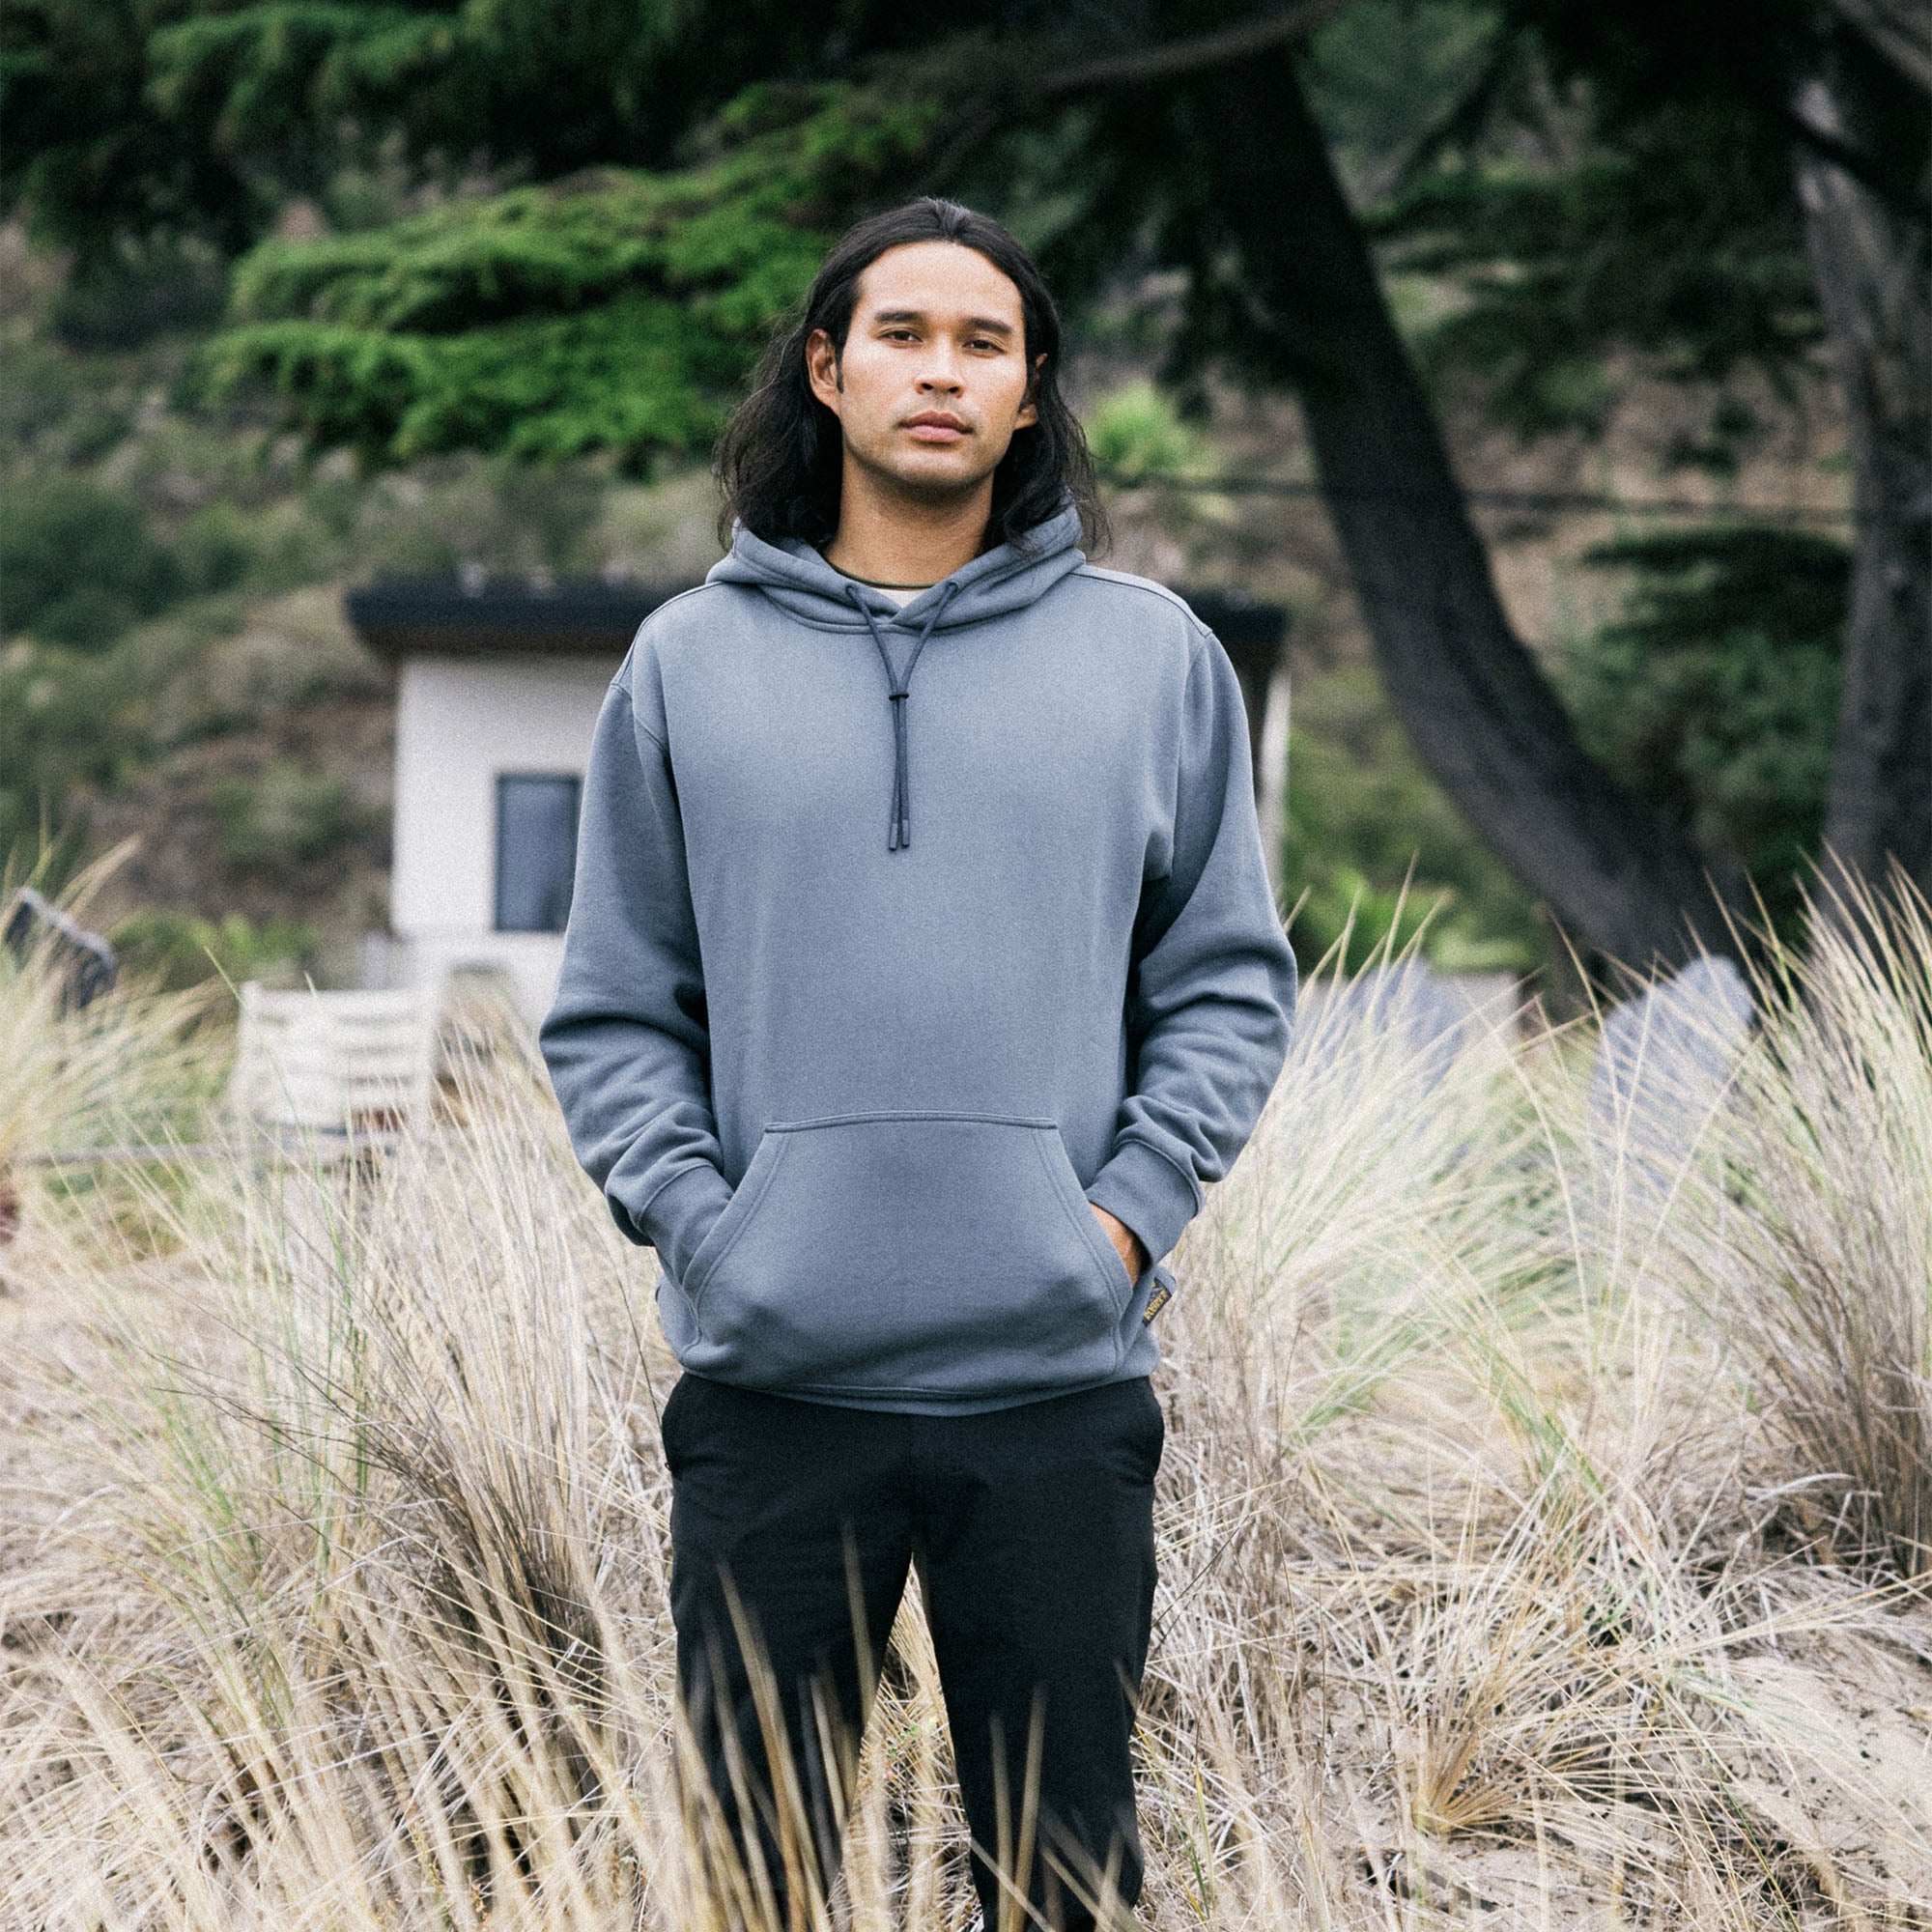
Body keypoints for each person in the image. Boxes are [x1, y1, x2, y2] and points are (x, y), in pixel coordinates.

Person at [539, 195, 1297, 1931]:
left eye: (983, 343)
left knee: (1060, 1883)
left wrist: (1121, 1221)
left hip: (1053, 1391)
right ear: (828, 370)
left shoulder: (1154, 661)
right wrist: (709, 1230)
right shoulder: (687, 664)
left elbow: (1227, 985)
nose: (940, 372)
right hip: (772, 1392)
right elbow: (617, 1007)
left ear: (1030, 393)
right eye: (902, 334)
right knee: (757, 1887)